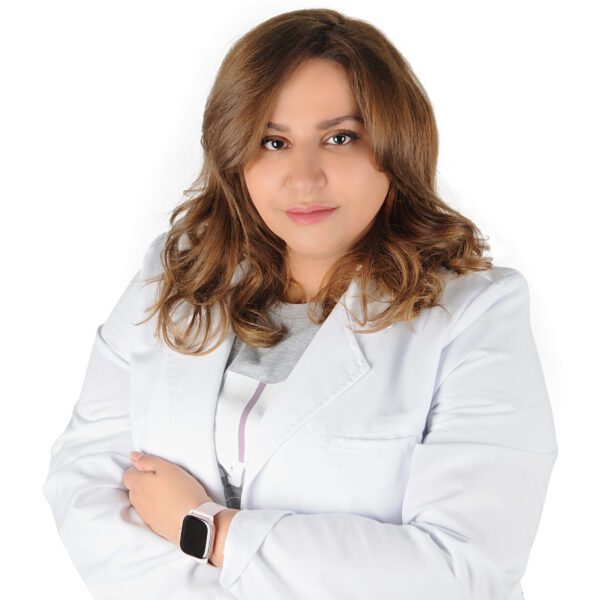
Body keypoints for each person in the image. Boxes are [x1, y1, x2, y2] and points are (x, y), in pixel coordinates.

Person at [43, 8, 558, 600]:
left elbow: (462, 568)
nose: (303, 177)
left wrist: (208, 531)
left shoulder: (474, 316)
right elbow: (85, 485)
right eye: (273, 141)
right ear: (235, 153)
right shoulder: (174, 273)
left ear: (396, 144)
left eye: (340, 138)